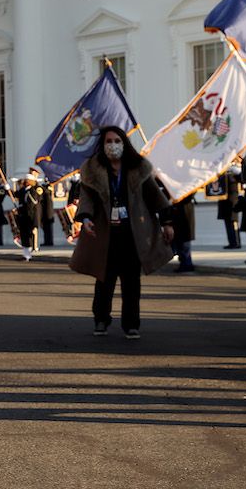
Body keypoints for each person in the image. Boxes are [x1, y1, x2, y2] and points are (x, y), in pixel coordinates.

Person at [70, 126, 174, 339]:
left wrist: (167, 222)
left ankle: (131, 324)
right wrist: (86, 219)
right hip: (106, 233)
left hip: (132, 233)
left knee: (131, 282)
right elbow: (87, 198)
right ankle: (101, 319)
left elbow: (155, 197)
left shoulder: (138, 168)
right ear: (102, 145)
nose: (113, 145)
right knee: (104, 280)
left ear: (124, 143)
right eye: (109, 141)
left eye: (117, 141)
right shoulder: (93, 170)